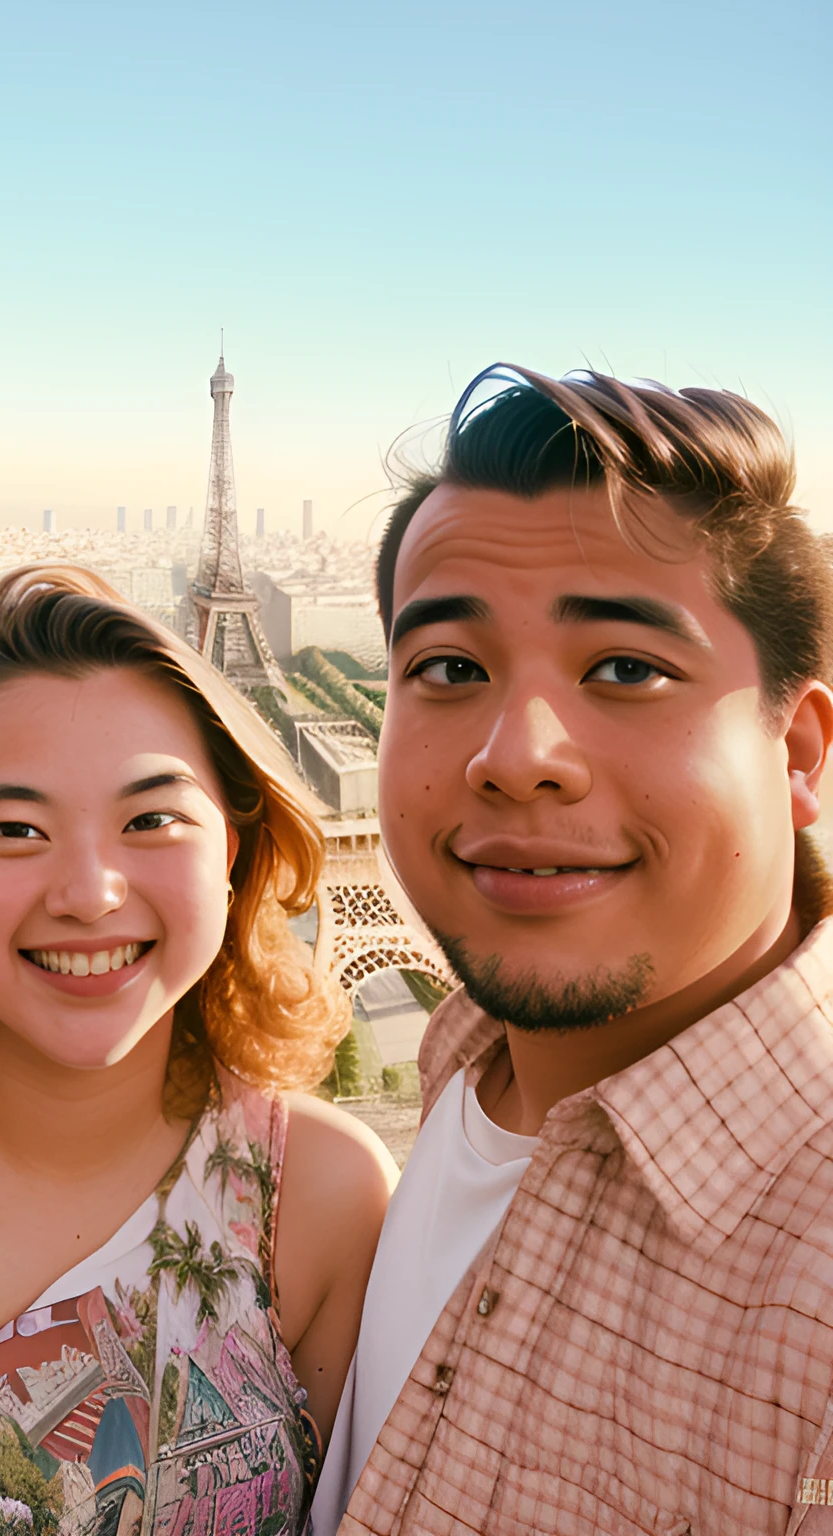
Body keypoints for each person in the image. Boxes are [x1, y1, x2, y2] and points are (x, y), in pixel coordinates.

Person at [314, 363, 833, 1536]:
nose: (519, 752)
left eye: (625, 669)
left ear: (797, 754)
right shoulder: (469, 1063)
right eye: (447, 668)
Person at [0, 564, 396, 1536]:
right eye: (13, 828)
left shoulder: (323, 1200)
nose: (89, 891)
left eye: (150, 819)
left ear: (237, 851)